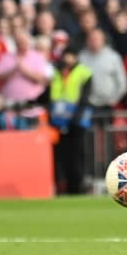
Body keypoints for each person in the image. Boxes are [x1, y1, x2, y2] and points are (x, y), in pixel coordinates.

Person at [49, 46, 93, 195]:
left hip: (77, 122)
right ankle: (63, 186)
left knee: (77, 156)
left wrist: (74, 119)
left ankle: (77, 187)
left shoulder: (84, 73)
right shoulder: (56, 72)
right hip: (59, 121)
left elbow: (84, 99)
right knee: (61, 156)